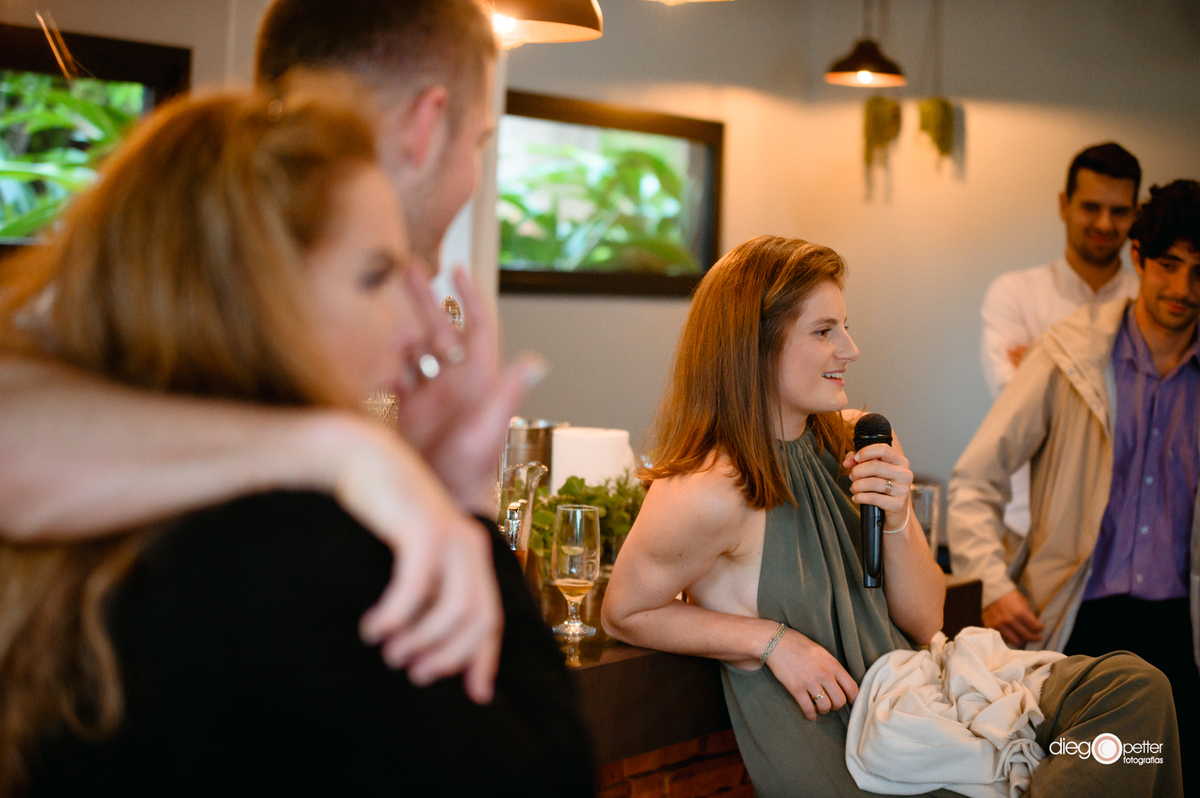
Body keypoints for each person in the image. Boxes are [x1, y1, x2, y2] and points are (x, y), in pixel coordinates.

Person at [0, 82, 592, 797]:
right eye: (376, 275)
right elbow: (546, 776)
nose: (415, 320)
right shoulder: (296, 549)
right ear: (247, 299)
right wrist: (465, 501)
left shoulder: (100, 519)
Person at [603, 235, 1182, 797]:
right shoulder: (708, 488)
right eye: (825, 331)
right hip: (845, 752)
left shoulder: (859, 437)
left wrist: (899, 515)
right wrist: (771, 641)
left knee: (1136, 696)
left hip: (923, 703)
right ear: (753, 345)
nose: (850, 349)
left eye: (845, 327)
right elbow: (624, 611)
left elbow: (927, 616)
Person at [950, 181, 1200, 795]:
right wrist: (994, 584)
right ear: (1138, 257)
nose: (1183, 290)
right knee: (1095, 780)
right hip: (1075, 622)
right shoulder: (1070, 355)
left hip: (1181, 630)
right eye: (1169, 265)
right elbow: (974, 478)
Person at [979, 142, 1140, 548]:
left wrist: (1041, 362)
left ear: (1135, 215)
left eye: (1119, 211)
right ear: (1064, 204)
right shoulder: (1014, 293)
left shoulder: (1149, 304)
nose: (1105, 223)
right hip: (1028, 527)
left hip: (1127, 536)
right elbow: (1016, 403)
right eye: (1091, 207)